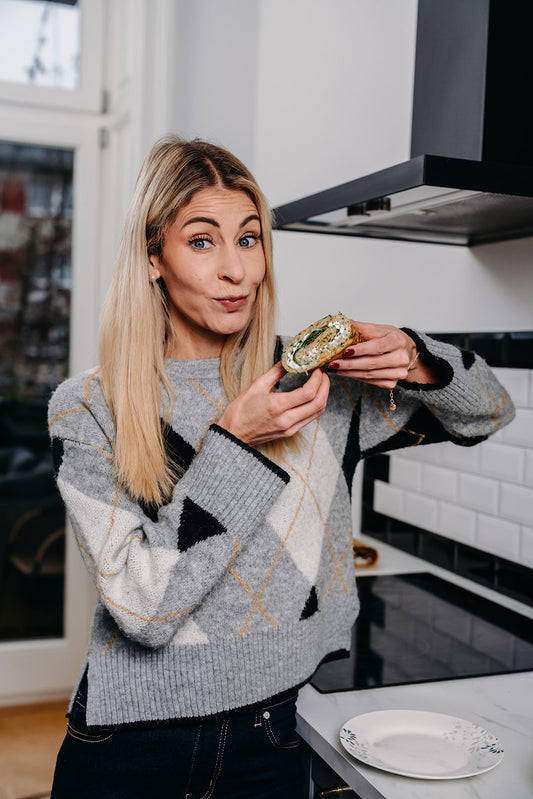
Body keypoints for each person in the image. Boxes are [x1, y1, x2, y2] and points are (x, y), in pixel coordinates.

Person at [47, 135, 514, 799]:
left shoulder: (315, 379)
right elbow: (145, 606)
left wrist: (419, 357)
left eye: (250, 238)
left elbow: (488, 412)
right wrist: (233, 445)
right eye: (202, 241)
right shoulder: (89, 408)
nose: (237, 270)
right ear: (154, 257)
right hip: (131, 745)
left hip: (270, 733)